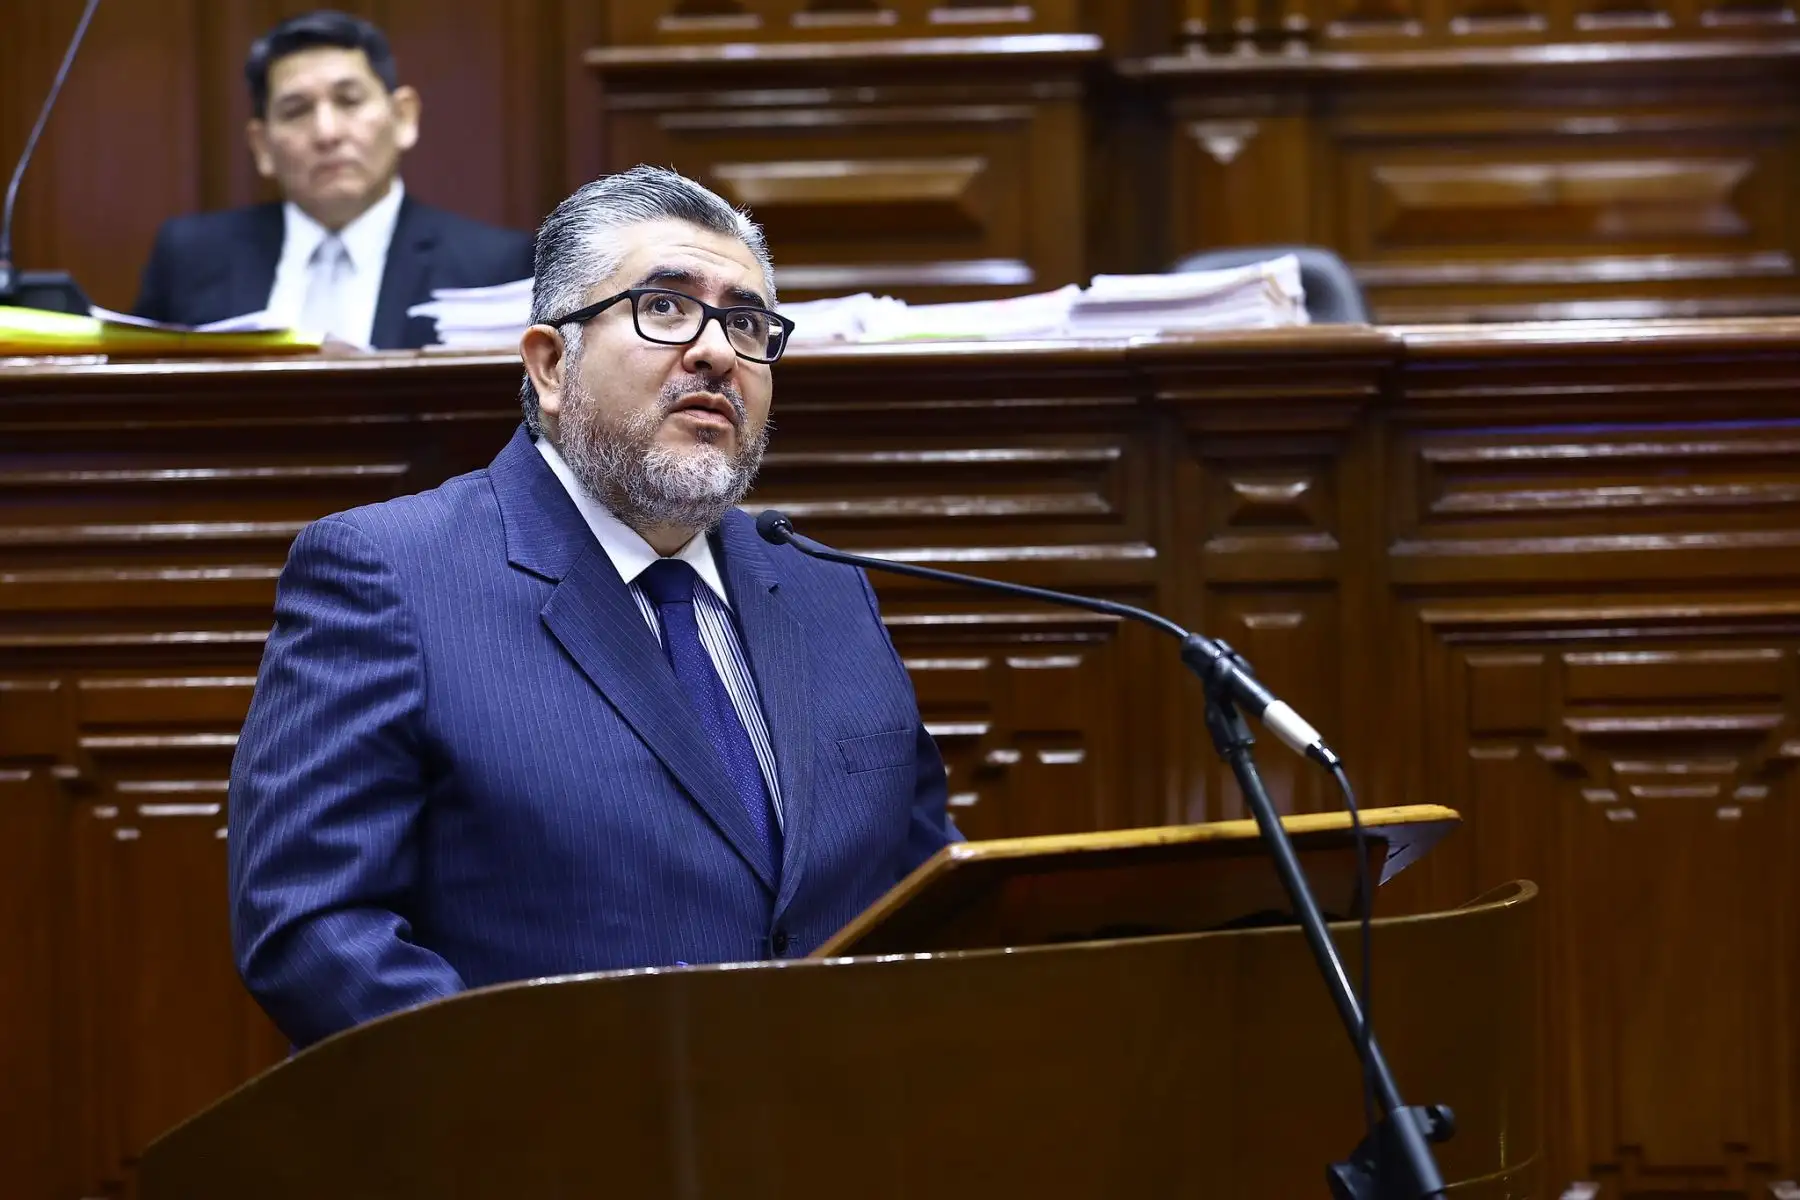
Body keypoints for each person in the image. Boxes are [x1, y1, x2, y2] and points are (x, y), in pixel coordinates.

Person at [227, 165, 960, 1049]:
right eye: (665, 307)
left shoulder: (820, 584)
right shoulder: (391, 575)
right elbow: (311, 922)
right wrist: (549, 1121)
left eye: (748, 323)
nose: (718, 352)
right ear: (549, 364)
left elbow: (924, 888)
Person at [132, 10, 533, 348]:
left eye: (349, 101)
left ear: (403, 118)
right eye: (296, 110)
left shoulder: (491, 268)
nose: (327, 132)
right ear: (262, 146)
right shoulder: (191, 259)